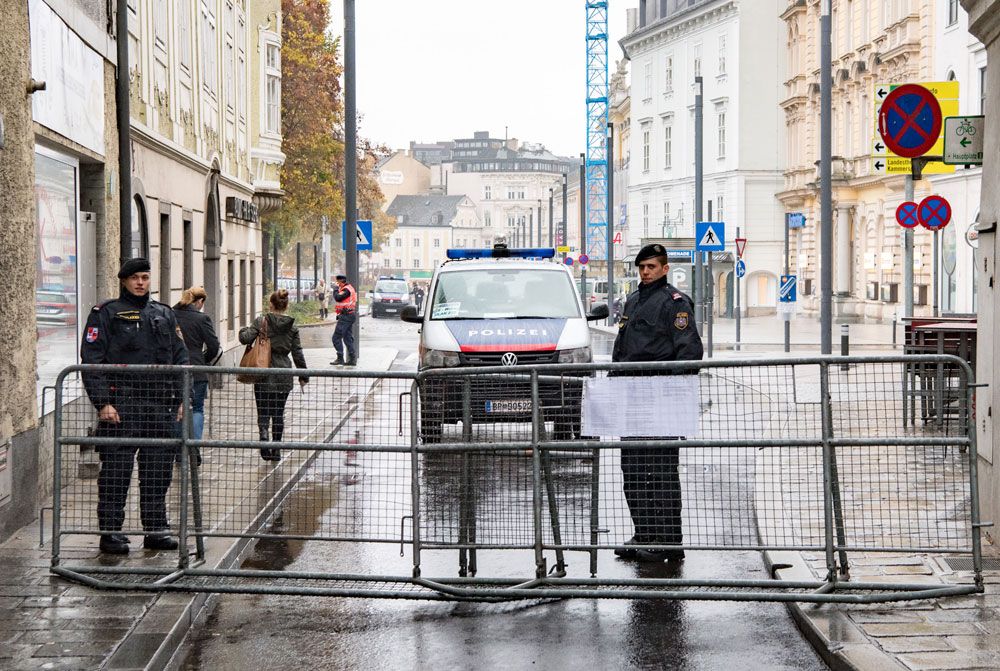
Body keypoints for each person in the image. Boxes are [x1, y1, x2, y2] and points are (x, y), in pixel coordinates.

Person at [80, 258, 189, 555]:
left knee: (158, 472)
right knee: (116, 472)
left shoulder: (164, 314)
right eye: (134, 278)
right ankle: (111, 533)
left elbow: (180, 358)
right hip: (122, 404)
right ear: (124, 281)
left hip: (159, 404)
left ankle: (156, 530)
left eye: (145, 277)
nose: (140, 283)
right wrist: (102, 402)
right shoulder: (105, 313)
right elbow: (92, 360)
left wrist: (181, 398)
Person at [611, 244, 704, 563]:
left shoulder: (675, 303)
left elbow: (689, 352)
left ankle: (669, 539)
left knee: (660, 470)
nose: (646, 272)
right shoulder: (634, 300)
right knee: (633, 469)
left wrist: (675, 392)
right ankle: (644, 532)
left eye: (651, 266)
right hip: (632, 396)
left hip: (661, 395)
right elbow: (621, 347)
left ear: (665, 269)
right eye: (642, 267)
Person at [240, 289, 308, 461]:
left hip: (263, 372)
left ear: (270, 304)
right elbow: (297, 352)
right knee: (278, 412)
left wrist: (244, 330)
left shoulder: (262, 321)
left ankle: (264, 437)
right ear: (286, 305)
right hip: (283, 374)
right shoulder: (292, 327)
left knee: (263, 411)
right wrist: (303, 375)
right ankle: (276, 449)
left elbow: (245, 339)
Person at [172, 286, 220, 465]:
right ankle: (193, 449)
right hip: (196, 369)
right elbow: (214, 346)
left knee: (177, 407)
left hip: (174, 369)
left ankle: (178, 451)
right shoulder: (201, 319)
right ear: (199, 301)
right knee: (197, 408)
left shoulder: (170, 314)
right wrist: (203, 359)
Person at [330, 274, 357, 366]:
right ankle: (352, 359)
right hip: (348, 315)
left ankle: (340, 358)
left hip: (346, 317)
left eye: (337, 282)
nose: (336, 284)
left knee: (336, 337)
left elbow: (338, 297)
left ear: (341, 282)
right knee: (347, 338)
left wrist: (335, 289)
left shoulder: (346, 290)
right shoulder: (349, 288)